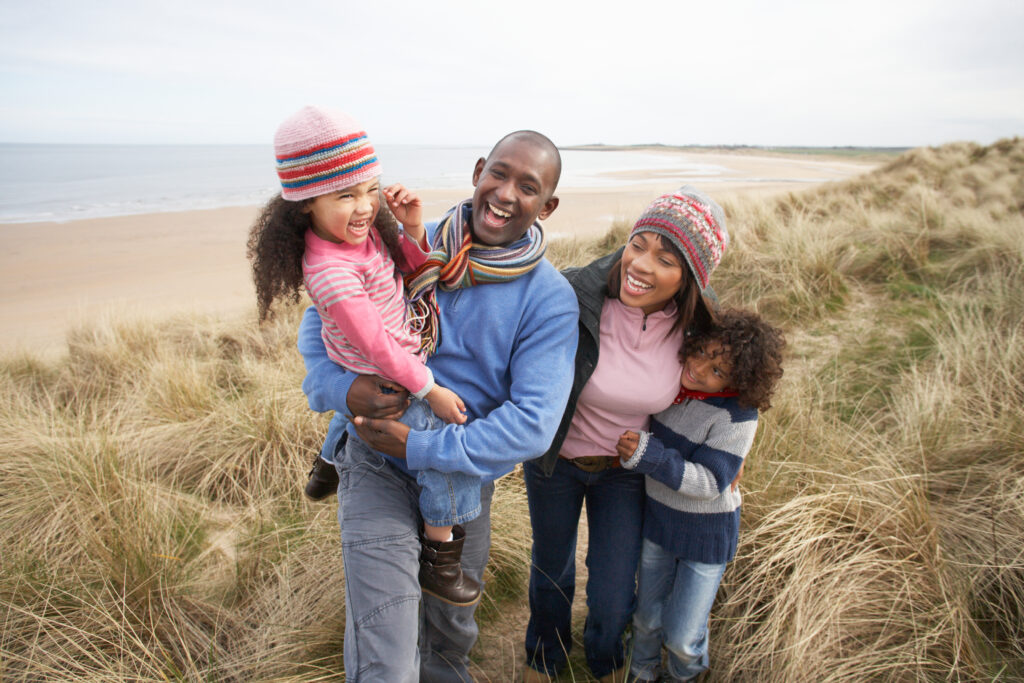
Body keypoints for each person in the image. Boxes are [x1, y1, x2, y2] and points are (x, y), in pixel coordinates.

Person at [297, 130, 579, 681]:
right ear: (478, 171)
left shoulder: (547, 298)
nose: (505, 193)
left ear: (548, 206)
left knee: (451, 635)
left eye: (528, 187)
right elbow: (321, 323)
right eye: (498, 173)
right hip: (376, 462)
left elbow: (533, 426)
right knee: (388, 654)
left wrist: (424, 444)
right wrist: (339, 392)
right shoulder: (410, 246)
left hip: (461, 481)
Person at [247, 105, 484, 605]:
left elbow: (412, 272)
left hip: (381, 355)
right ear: (305, 202)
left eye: (370, 188)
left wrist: (412, 226)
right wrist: (430, 390)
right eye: (345, 195)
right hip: (388, 368)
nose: (363, 206)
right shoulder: (331, 272)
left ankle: (328, 462)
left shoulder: (365, 230)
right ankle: (440, 558)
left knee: (361, 410)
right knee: (446, 449)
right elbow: (376, 347)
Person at [523, 186, 729, 683]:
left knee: (615, 592)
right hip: (555, 462)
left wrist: (731, 454)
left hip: (627, 472)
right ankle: (544, 658)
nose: (641, 264)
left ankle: (603, 662)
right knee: (552, 570)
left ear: (690, 279)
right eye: (639, 243)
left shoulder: (701, 324)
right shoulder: (575, 293)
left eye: (665, 258)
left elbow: (732, 390)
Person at [616, 308, 785, 682]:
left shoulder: (737, 416)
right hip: (658, 524)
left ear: (739, 382)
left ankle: (683, 676)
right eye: (704, 352)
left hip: (705, 537)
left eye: (718, 372)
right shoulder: (672, 386)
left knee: (682, 635)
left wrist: (651, 457)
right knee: (646, 617)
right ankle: (641, 672)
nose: (700, 369)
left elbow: (710, 482)